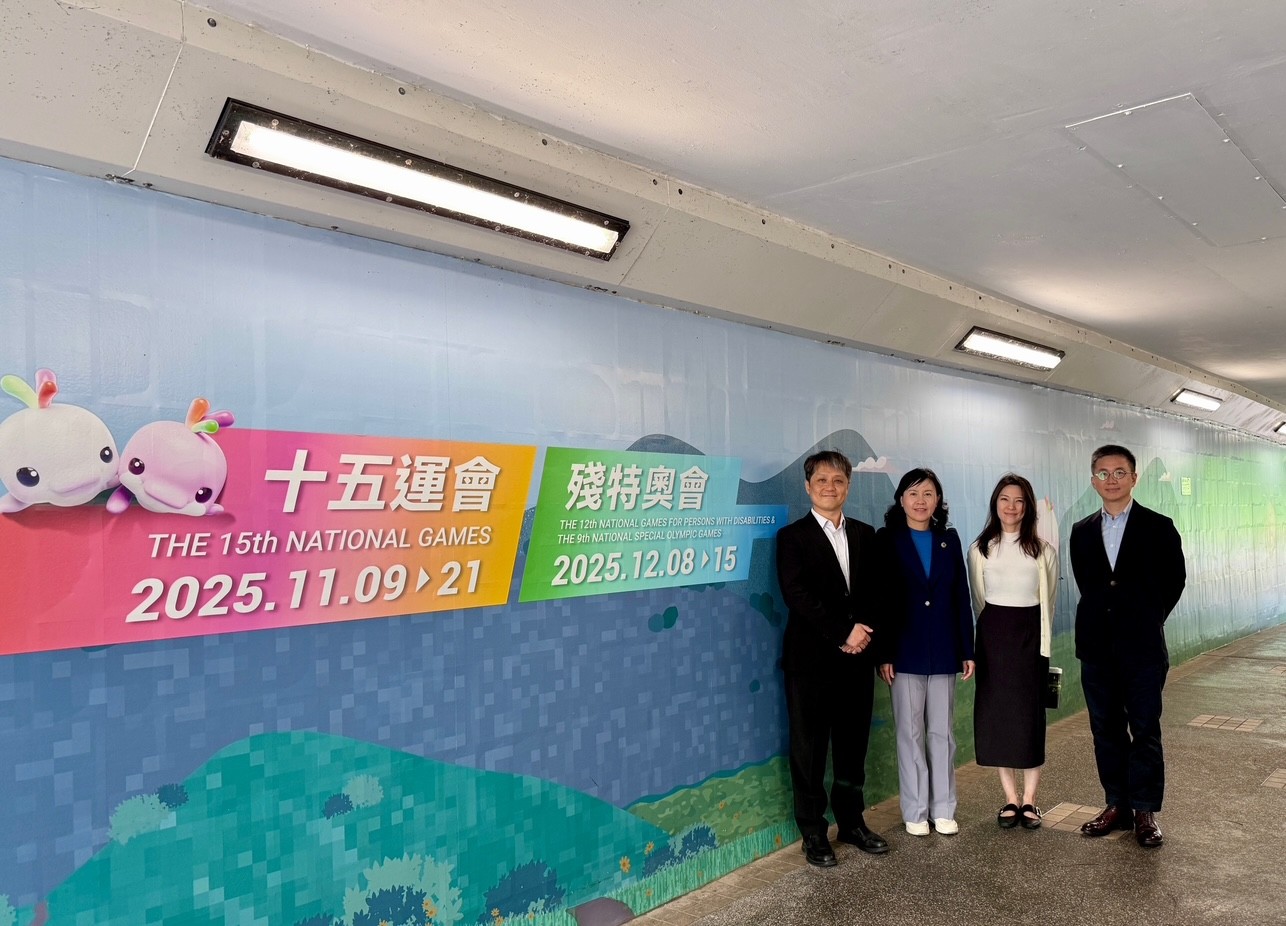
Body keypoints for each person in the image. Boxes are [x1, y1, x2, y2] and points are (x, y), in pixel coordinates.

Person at [776, 450, 890, 866]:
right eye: (821, 480)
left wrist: (861, 635)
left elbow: (877, 592)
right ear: (808, 487)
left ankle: (852, 822)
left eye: (838, 480)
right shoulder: (792, 538)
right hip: (809, 664)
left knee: (851, 748)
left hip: (856, 661)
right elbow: (797, 595)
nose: (830, 487)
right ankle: (813, 831)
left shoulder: (865, 534)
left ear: (848, 485)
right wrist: (844, 632)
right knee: (808, 751)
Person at [1070, 444, 1185, 849]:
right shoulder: (1082, 531)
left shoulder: (1159, 526)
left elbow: (1175, 580)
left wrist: (1148, 618)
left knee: (1145, 728)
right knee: (1105, 729)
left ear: (1134, 478)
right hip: (1096, 649)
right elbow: (1089, 584)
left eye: (1120, 472)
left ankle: (1145, 811)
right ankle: (1116, 804)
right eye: (1103, 473)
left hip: (1143, 650)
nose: (1112, 480)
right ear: (1093, 481)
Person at [875, 468, 975, 837]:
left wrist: (967, 649)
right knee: (910, 732)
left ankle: (944, 808)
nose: (921, 501)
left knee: (942, 732)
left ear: (938, 501)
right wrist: (883, 653)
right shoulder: (887, 540)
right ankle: (915, 810)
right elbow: (881, 600)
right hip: (903, 651)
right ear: (901, 499)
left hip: (945, 649)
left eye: (928, 494)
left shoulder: (948, 539)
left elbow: (961, 597)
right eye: (913, 493)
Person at [967, 474, 1059, 830]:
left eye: (1019, 500)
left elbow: (1049, 601)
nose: (1011, 506)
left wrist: (1040, 640)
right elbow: (979, 600)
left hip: (1030, 638)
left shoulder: (1043, 551)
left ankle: (1031, 800)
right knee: (999, 717)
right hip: (993, 639)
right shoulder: (980, 549)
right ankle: (1010, 798)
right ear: (996, 503)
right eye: (1005, 499)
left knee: (1030, 717)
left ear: (1028, 507)